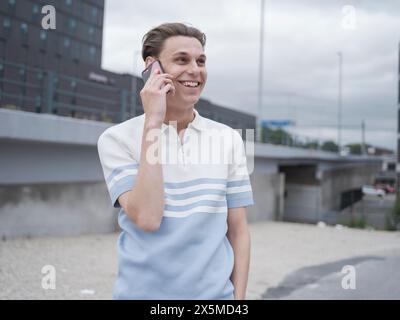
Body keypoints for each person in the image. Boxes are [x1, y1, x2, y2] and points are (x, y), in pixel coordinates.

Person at [97, 22, 254, 300]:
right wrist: (153, 124)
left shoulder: (229, 139)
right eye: (182, 60)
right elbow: (148, 217)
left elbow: (238, 231)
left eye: (201, 61)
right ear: (152, 67)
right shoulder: (116, 139)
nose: (195, 70)